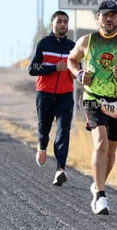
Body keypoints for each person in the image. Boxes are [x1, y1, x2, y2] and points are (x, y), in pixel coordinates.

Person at [67, 0, 117, 214]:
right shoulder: (87, 41)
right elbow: (71, 61)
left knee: (110, 151)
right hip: (93, 99)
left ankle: (97, 184)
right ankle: (101, 196)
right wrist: (80, 74)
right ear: (97, 18)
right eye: (105, 15)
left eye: (113, 15)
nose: (108, 19)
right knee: (100, 144)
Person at [29, 10, 75, 186]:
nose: (63, 24)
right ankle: (42, 146)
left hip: (65, 96)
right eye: (59, 21)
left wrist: (77, 75)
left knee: (63, 132)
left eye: (65, 21)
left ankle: (60, 169)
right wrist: (53, 68)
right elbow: (32, 68)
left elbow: (77, 69)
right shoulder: (43, 43)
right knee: (44, 129)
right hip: (45, 94)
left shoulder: (72, 46)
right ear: (52, 24)